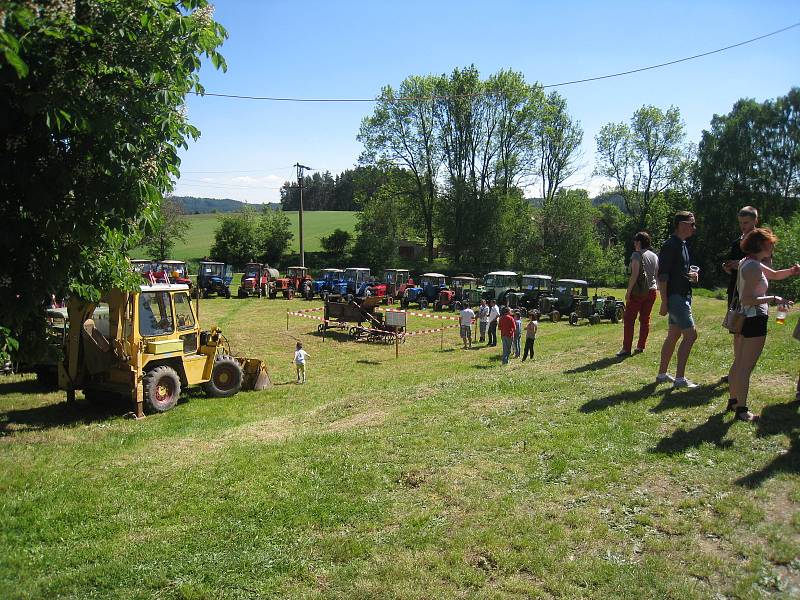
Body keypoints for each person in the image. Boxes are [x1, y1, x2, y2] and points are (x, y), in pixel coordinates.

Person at [726, 228, 800, 422]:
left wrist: (792, 272)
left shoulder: (750, 262)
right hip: (753, 319)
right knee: (745, 367)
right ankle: (741, 410)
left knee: (739, 362)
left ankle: (733, 401)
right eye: (770, 243)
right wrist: (774, 298)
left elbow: (775, 274)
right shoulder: (752, 267)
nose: (773, 246)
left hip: (747, 318)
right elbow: (748, 299)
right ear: (761, 245)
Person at [656, 211, 700, 388]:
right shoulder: (670, 245)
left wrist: (692, 276)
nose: (694, 228)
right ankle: (680, 379)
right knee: (691, 336)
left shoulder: (682, 244)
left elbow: (678, 272)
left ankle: (662, 374)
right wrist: (664, 302)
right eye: (692, 224)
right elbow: (663, 276)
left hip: (682, 295)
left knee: (674, 335)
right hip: (676, 298)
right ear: (682, 225)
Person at [721, 206, 759, 382]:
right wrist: (728, 267)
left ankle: (743, 369)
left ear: (755, 221)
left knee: (747, 332)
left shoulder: (761, 241)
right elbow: (734, 269)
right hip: (735, 292)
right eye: (741, 223)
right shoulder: (737, 242)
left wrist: (742, 263)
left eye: (746, 223)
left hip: (752, 292)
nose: (743, 226)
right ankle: (737, 368)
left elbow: (767, 266)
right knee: (736, 330)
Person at [618, 232, 659, 357]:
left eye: (635, 241)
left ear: (639, 242)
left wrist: (628, 291)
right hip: (652, 291)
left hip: (638, 292)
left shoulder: (636, 255)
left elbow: (634, 275)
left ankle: (626, 348)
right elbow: (656, 276)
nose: (634, 244)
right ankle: (641, 346)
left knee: (629, 319)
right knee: (645, 319)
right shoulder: (654, 256)